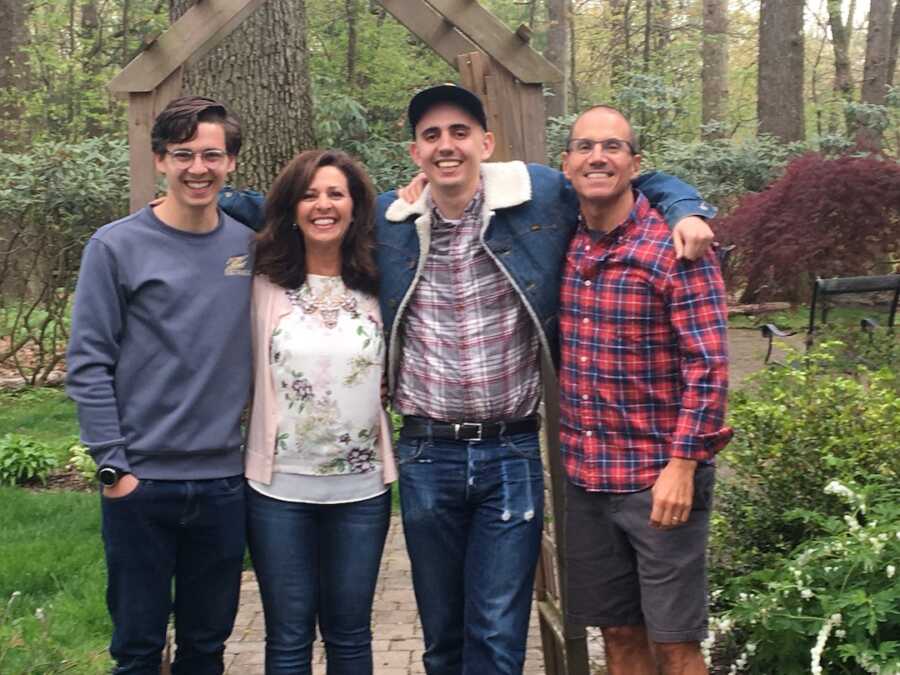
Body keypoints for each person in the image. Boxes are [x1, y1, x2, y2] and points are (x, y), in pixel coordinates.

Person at [373, 84, 718, 675]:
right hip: (444, 453)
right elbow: (300, 207)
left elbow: (631, 182)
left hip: (523, 451)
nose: (446, 146)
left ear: (487, 143)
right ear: (414, 153)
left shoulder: (541, 209)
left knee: (503, 633)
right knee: (454, 634)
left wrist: (687, 207)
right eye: (431, 136)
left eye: (459, 132)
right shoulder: (393, 223)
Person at [66, 96, 252, 675]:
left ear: (232, 164)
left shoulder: (250, 247)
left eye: (212, 155)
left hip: (224, 484)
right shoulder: (116, 245)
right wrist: (113, 468)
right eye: (184, 155)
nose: (199, 167)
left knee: (206, 648)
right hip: (141, 484)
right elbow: (89, 361)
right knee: (138, 649)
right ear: (160, 162)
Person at [558, 105, 731, 675]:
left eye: (612, 146)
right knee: (619, 634)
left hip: (659, 482)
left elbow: (708, 365)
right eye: (585, 146)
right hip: (587, 478)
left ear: (636, 162)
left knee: (677, 642)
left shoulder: (678, 249)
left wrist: (683, 463)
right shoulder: (566, 241)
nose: (597, 157)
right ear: (566, 164)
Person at [243, 149, 397, 675]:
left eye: (335, 193)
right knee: (288, 636)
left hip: (363, 492)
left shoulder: (380, 282)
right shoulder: (262, 283)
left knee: (350, 634)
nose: (323, 205)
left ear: (355, 207)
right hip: (277, 491)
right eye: (309, 194)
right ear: (292, 207)